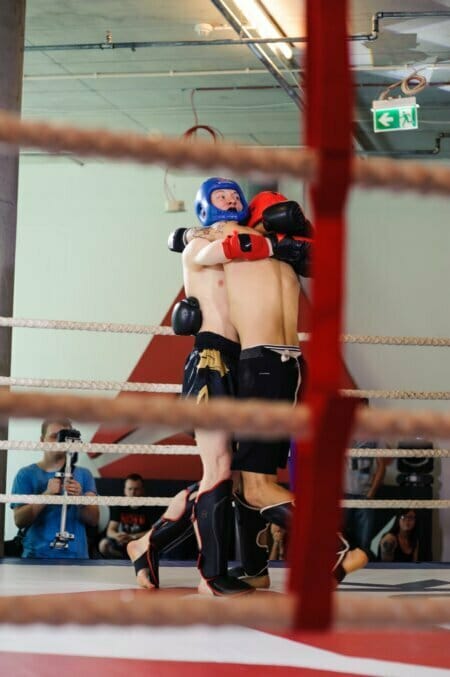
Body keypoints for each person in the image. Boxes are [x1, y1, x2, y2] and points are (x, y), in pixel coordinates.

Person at [128, 177, 253, 596]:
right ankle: (211, 575)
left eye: (235, 194)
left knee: (222, 476)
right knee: (218, 469)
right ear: (205, 204)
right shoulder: (202, 240)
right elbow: (209, 248)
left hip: (240, 363)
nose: (231, 199)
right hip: (211, 359)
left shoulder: (245, 239)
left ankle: (145, 545)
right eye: (222, 195)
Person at [11, 418, 99, 559]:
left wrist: (80, 498)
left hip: (78, 559)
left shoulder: (84, 474)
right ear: (42, 440)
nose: (60, 442)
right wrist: (47, 495)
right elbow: (19, 520)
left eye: (64, 437)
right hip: (36, 558)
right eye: (54, 436)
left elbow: (94, 519)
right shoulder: (26, 474)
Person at [343, 439, 388, 562]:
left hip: (365, 495)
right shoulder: (343, 429)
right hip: (343, 494)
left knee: (364, 544)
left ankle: (361, 574)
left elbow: (382, 465)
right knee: (340, 542)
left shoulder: (375, 434)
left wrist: (371, 493)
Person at [98, 474, 153, 559]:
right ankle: (124, 560)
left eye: (136, 489)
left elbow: (153, 531)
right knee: (104, 545)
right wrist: (118, 536)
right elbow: (110, 531)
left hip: (141, 543)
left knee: (153, 546)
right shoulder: (119, 505)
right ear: (125, 490)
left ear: (142, 490)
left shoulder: (150, 506)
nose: (133, 492)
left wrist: (133, 537)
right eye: (130, 489)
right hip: (122, 543)